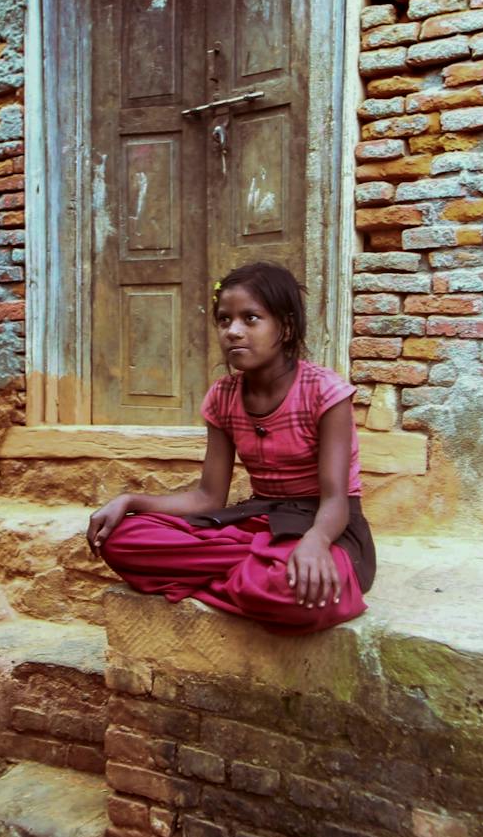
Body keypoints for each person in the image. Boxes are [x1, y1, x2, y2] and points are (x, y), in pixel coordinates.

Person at [86, 262, 375, 634]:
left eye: (251, 318)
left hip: (329, 526)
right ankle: (254, 576)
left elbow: (336, 499)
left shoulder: (325, 392)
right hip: (262, 523)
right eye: (224, 320)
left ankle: (248, 575)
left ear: (285, 327)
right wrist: (130, 501)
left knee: (291, 590)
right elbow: (209, 497)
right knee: (123, 538)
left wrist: (316, 542)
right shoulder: (222, 397)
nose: (233, 331)